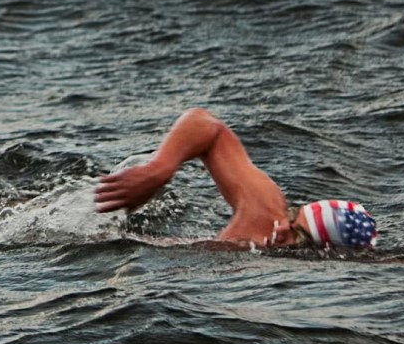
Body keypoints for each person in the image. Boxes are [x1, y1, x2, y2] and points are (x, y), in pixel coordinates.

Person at [94, 108, 377, 251]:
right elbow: (206, 125)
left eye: (297, 235)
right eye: (292, 217)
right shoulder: (265, 211)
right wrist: (159, 170)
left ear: (321, 253)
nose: (280, 230)